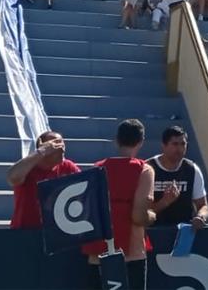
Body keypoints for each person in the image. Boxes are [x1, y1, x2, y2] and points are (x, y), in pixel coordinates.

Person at [81, 119, 155, 290]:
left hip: (99, 252)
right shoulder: (144, 169)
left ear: (116, 140)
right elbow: (138, 216)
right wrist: (152, 215)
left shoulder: (96, 168)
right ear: (141, 142)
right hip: (132, 253)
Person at [6, 130, 80, 229]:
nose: (62, 148)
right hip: (26, 230)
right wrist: (42, 151)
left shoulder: (68, 167)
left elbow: (85, 186)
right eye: (55, 144)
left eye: (62, 144)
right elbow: (12, 178)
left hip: (56, 230)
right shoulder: (28, 167)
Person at [148, 126, 208, 229]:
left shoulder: (192, 169)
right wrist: (164, 202)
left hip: (183, 232)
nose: (180, 149)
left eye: (183, 144)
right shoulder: (148, 169)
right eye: (175, 144)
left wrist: (200, 217)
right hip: (153, 231)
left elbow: (203, 205)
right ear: (163, 145)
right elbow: (140, 213)